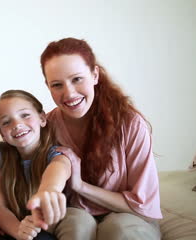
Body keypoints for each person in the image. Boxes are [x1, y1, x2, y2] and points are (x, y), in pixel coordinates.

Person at [40, 37, 162, 239]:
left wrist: (81, 187)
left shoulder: (131, 124)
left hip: (129, 214)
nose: (69, 93)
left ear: (94, 75)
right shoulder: (48, 125)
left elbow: (143, 205)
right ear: (48, 86)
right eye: (57, 84)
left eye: (77, 79)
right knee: (77, 228)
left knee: (121, 231)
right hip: (76, 213)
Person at [0, 90, 71, 240]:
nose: (17, 125)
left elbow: (60, 167)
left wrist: (49, 189)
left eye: (25, 115)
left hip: (43, 226)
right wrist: (18, 231)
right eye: (6, 122)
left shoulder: (55, 152)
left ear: (42, 118)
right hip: (12, 226)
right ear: (2, 134)